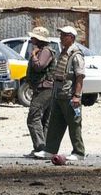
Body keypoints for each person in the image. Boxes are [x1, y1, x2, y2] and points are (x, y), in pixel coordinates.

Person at [34, 26, 85, 161]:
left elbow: (79, 76)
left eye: (64, 35)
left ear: (72, 38)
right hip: (59, 94)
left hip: (69, 95)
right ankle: (50, 150)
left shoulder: (76, 55)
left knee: (74, 124)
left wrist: (77, 96)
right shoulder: (63, 52)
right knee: (55, 124)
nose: (61, 38)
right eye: (61, 35)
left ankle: (79, 152)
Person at [24, 26, 56, 157]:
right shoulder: (42, 50)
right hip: (43, 88)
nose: (31, 39)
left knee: (33, 118)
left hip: (45, 89)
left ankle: (40, 148)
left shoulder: (45, 51)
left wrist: (33, 55)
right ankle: (45, 149)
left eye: (33, 37)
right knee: (44, 120)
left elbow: (39, 66)